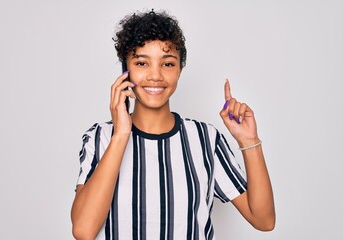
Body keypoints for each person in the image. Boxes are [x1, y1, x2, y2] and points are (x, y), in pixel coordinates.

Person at [71, 9, 275, 240]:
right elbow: (83, 231)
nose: (155, 75)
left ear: (179, 70)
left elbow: (264, 220)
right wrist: (121, 135)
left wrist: (249, 141)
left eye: (167, 64)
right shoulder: (100, 137)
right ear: (125, 71)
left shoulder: (205, 138)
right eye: (141, 63)